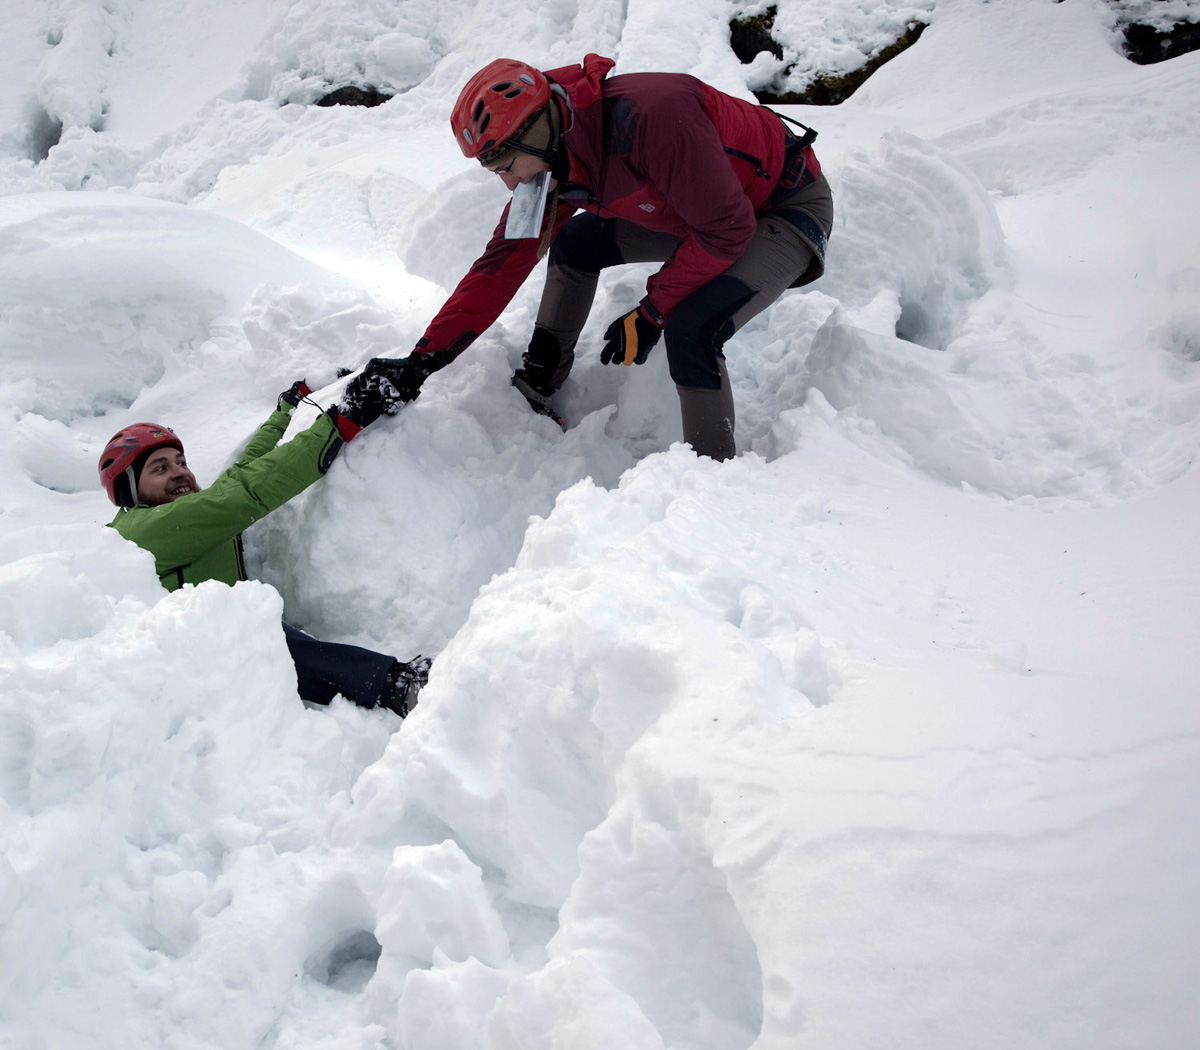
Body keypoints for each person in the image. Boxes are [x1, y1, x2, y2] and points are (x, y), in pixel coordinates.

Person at [342, 54, 833, 461]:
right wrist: (422, 362)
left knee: (692, 327)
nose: (510, 183)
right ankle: (538, 384)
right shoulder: (554, 162)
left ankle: (712, 477)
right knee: (576, 244)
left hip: (781, 211)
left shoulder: (653, 120)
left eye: (508, 166)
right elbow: (499, 268)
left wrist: (653, 309)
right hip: (695, 209)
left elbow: (727, 231)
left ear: (537, 133)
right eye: (496, 173)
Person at [97, 379, 430, 717]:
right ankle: (395, 685)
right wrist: (337, 425)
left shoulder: (190, 514)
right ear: (129, 490)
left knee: (265, 634)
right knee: (268, 639)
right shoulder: (144, 530)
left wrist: (286, 410)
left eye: (181, 462)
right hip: (187, 670)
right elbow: (244, 493)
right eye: (161, 468)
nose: (180, 473)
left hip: (231, 644)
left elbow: (248, 466)